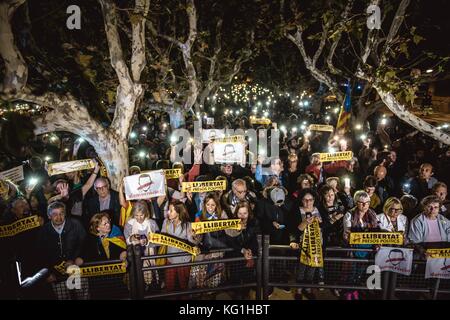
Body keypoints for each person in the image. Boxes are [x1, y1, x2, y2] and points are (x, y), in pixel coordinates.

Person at [37, 202, 88, 300]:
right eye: (55, 214)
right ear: (49, 216)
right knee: (62, 297)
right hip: (56, 273)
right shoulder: (44, 231)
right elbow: (40, 253)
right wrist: (47, 273)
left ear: (65, 214)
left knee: (82, 295)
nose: (59, 217)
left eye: (61, 213)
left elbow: (86, 243)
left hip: (76, 269)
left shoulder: (76, 224)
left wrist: (79, 257)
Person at [342, 190, 379, 300]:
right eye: (362, 202)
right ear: (356, 202)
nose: (365, 205)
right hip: (354, 248)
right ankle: (348, 293)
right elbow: (347, 233)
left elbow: (376, 231)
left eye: (367, 202)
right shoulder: (350, 214)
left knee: (360, 272)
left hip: (367, 249)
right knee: (351, 272)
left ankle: (355, 290)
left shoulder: (372, 214)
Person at [287, 188, 323, 299]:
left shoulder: (319, 210)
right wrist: (304, 223)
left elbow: (325, 226)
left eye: (310, 200)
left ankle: (307, 289)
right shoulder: (296, 211)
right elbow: (293, 230)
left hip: (317, 245)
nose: (308, 202)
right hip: (303, 246)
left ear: (314, 200)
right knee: (301, 270)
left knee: (312, 269)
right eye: (305, 200)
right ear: (301, 200)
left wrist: (321, 222)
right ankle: (298, 291)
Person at [225, 201, 260, 298]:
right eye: (240, 213)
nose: (242, 216)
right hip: (236, 256)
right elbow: (230, 242)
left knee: (248, 279)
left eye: (245, 213)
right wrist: (242, 250)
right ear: (236, 214)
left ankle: (246, 293)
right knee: (235, 280)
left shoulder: (254, 222)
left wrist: (249, 251)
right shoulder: (231, 224)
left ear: (249, 213)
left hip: (249, 255)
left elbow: (255, 239)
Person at [162, 200, 197, 295]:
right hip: (170, 259)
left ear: (178, 212)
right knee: (169, 286)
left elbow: (192, 242)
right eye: (168, 210)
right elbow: (161, 238)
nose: (168, 212)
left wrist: (194, 237)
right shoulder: (166, 222)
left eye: (171, 210)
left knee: (184, 286)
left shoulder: (187, 225)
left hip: (184, 261)